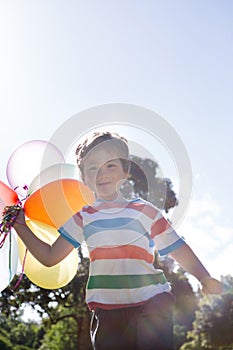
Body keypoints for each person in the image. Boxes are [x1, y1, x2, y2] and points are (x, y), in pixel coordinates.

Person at [12, 131, 222, 350]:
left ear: (125, 171)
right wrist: (21, 226)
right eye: (93, 168)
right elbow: (49, 256)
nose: (102, 173)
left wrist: (204, 277)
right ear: (84, 177)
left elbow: (177, 247)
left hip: (152, 302)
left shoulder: (145, 211)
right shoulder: (82, 217)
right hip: (108, 312)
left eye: (110, 165)